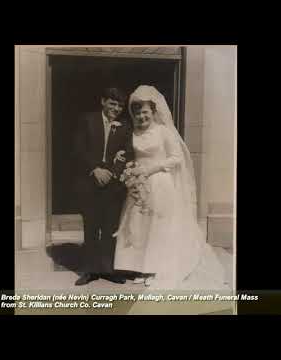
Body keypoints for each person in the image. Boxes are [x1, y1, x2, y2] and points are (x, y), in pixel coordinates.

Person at [113, 85, 229, 290]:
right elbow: (127, 155)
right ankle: (140, 267)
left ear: (153, 112)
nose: (142, 117)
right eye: (137, 112)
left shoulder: (164, 132)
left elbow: (176, 158)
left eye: (145, 112)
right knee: (139, 225)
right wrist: (130, 169)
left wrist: (153, 168)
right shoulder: (132, 133)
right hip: (138, 183)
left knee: (159, 225)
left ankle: (156, 267)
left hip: (160, 182)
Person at [72, 87, 134, 286]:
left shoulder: (124, 127)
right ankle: (90, 271)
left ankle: (108, 269)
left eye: (119, 105)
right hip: (89, 183)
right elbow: (78, 148)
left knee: (110, 229)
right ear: (103, 102)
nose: (115, 108)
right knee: (91, 227)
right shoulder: (87, 120)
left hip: (113, 186)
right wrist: (95, 170)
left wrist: (113, 173)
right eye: (112, 103)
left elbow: (128, 153)